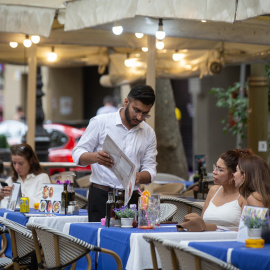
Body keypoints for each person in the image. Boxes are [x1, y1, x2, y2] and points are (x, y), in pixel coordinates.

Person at [73, 84, 157, 222]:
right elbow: (77, 154)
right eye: (136, 110)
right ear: (126, 102)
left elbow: (151, 169)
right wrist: (96, 157)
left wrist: (139, 176)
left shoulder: (148, 133)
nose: (139, 116)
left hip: (131, 197)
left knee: (127, 242)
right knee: (99, 242)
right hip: (101, 195)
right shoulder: (101, 122)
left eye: (145, 113)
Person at [201, 149, 251, 230]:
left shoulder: (244, 196)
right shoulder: (213, 190)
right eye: (215, 167)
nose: (214, 172)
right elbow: (202, 222)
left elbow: (245, 231)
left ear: (232, 176)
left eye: (220, 169)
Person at [0, 143, 51, 208]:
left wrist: (19, 195)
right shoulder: (11, 179)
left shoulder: (42, 178)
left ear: (31, 161)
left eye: (21, 163)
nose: (17, 167)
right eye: (14, 163)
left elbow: (44, 205)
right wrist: (1, 196)